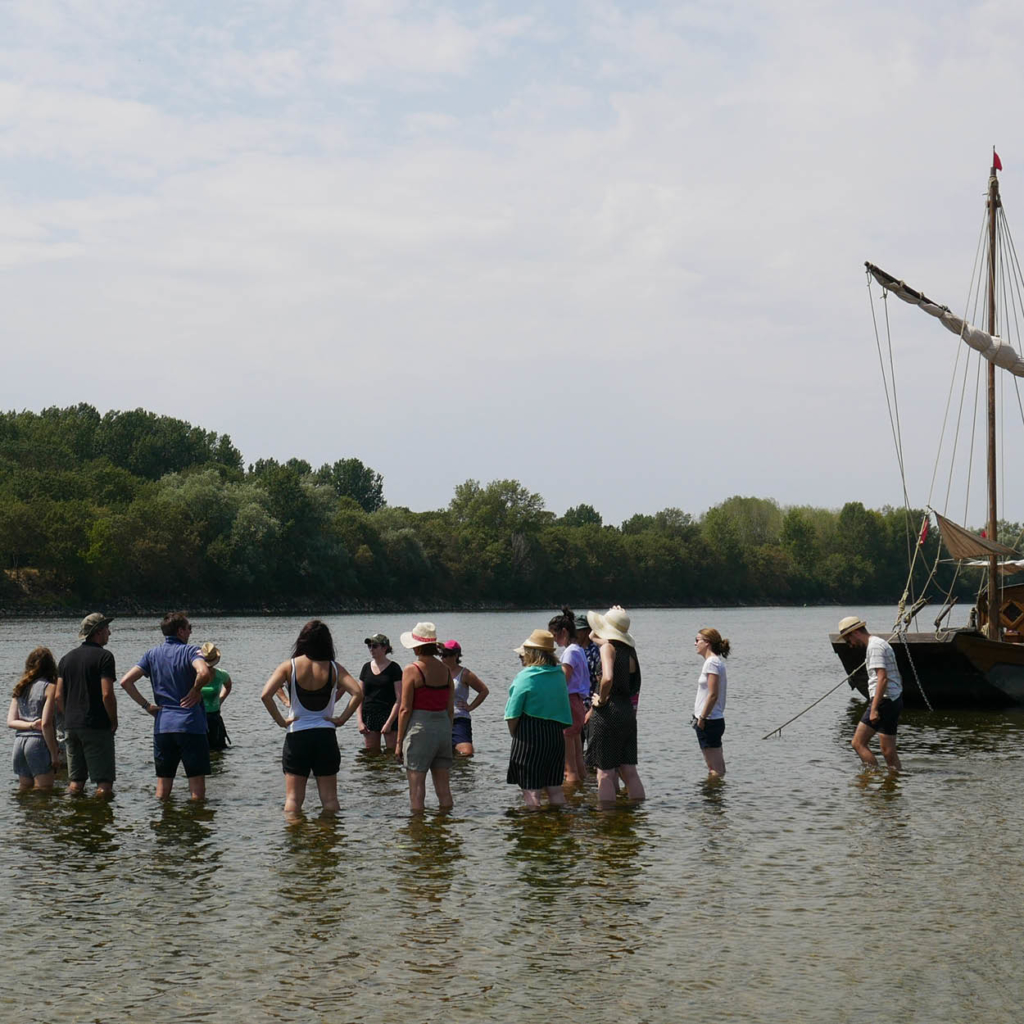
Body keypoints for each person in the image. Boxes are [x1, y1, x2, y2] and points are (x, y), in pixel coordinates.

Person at [260, 619, 362, 814]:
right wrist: (341, 719)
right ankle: (328, 839)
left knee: (293, 800)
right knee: (330, 799)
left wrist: (282, 722)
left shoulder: (289, 666)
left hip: (297, 734)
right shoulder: (334, 668)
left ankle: (295, 841)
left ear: (303, 640)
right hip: (325, 735)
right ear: (327, 642)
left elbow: (265, 695)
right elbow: (358, 693)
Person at [119, 611, 213, 801]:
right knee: (197, 790)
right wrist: (195, 690)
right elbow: (203, 673)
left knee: (162, 788)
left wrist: (147, 706)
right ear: (180, 631)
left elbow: (125, 681)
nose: (190, 633)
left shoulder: (151, 654)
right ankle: (196, 827)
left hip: (163, 727)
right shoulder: (191, 651)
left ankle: (164, 825)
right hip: (190, 725)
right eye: (189, 629)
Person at [505, 629, 572, 809]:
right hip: (555, 735)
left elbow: (512, 713)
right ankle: (558, 823)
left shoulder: (525, 676)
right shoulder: (558, 674)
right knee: (555, 788)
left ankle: (534, 827)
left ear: (532, 653)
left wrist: (515, 735)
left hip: (530, 735)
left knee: (531, 789)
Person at [585, 606, 646, 803]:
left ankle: (607, 822)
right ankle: (636, 813)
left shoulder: (607, 648)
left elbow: (608, 678)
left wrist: (601, 700)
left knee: (604, 772)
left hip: (608, 712)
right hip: (627, 711)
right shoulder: (629, 651)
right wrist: (619, 617)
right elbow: (594, 634)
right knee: (629, 770)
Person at [55, 613, 117, 797]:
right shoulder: (105, 657)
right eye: (107, 629)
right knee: (104, 784)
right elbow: (107, 694)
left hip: (71, 726)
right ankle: (98, 821)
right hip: (96, 726)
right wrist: (113, 721)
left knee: (75, 782)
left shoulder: (66, 659)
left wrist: (70, 717)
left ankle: (74, 819)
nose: (110, 633)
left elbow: (59, 695)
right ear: (98, 632)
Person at [395, 622, 454, 812]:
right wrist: (448, 731)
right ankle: (445, 828)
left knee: (417, 787)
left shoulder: (412, 670)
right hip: (443, 727)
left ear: (418, 646)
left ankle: (417, 830)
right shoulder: (446, 670)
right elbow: (450, 708)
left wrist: (398, 742)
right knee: (444, 789)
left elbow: (405, 709)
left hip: (420, 728)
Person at [837, 616, 903, 771]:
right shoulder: (880, 643)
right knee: (888, 750)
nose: (851, 645)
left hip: (884, 701)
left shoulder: (874, 647)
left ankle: (872, 777)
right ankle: (894, 781)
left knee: (858, 743)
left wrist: (874, 709)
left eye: (848, 641)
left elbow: (882, 678)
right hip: (893, 699)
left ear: (855, 633)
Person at [8, 647, 59, 791]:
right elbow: (46, 724)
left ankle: (22, 814)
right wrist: (54, 755)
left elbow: (11, 722)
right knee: (44, 791)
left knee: (24, 790)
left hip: (19, 744)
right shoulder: (49, 688)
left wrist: (30, 725)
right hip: (38, 743)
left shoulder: (20, 687)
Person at [548, 607, 589, 783]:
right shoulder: (578, 649)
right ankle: (582, 792)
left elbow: (563, 680)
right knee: (578, 758)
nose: (555, 642)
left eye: (554, 636)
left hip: (569, 703)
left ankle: (570, 805)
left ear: (564, 632)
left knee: (569, 765)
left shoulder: (570, 652)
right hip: (578, 703)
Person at [440, 640, 489, 757]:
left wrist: (470, 707)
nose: (443, 658)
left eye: (446, 655)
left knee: (466, 753)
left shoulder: (465, 674)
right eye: (441, 655)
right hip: (441, 718)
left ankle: (463, 774)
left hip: (459, 718)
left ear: (456, 655)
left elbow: (484, 691)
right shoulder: (438, 672)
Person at [693, 627, 730, 778]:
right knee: (719, 767)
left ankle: (712, 800)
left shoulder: (712, 663)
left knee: (714, 769)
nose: (695, 644)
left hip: (709, 721)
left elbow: (713, 694)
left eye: (697, 640)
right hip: (713, 720)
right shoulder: (714, 662)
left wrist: (701, 718)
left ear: (707, 643)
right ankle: (717, 797)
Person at [356, 633, 403, 752]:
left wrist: (389, 722)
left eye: (375, 646)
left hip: (389, 714)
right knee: (371, 754)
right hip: (370, 715)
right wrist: (360, 721)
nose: (371, 649)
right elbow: (359, 696)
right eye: (369, 646)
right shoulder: (366, 667)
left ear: (384, 648)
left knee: (391, 754)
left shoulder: (394, 668)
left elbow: (399, 698)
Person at [199, 642, 232, 752]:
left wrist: (220, 700)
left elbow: (228, 686)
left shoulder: (221, 674)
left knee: (218, 752)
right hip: (197, 717)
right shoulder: (193, 674)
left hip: (214, 717)